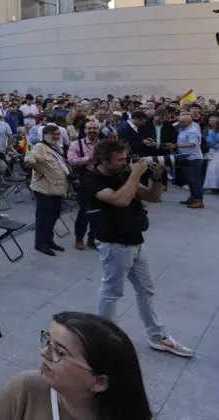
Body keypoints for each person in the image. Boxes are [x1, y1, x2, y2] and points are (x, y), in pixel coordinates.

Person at [80, 139, 194, 357]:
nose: (125, 163)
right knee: (112, 292)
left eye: (126, 159)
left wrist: (157, 178)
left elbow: (152, 197)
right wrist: (135, 173)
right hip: (114, 243)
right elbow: (119, 199)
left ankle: (157, 336)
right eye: (120, 160)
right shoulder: (91, 179)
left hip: (135, 241)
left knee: (146, 290)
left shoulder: (122, 174)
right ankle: (105, 341)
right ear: (104, 160)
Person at [0, 311, 152, 420]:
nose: (43, 352)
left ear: (99, 382)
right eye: (47, 341)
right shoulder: (24, 389)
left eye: (59, 352)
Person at [24, 124, 72, 256]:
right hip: (43, 188)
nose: (56, 136)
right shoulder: (39, 147)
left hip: (56, 188)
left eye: (57, 134)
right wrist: (39, 171)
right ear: (45, 135)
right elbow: (28, 160)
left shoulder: (53, 147)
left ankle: (49, 240)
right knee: (43, 217)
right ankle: (40, 244)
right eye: (53, 134)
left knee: (55, 214)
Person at [67, 120, 101, 250]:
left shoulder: (103, 144)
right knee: (85, 210)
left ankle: (93, 238)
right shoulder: (76, 144)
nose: (92, 130)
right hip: (84, 179)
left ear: (98, 130)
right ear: (85, 130)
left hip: (101, 178)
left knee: (99, 209)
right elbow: (71, 161)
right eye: (89, 128)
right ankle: (79, 237)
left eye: (94, 128)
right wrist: (89, 158)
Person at [176, 113, 204, 208]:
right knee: (189, 180)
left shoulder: (193, 131)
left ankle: (199, 200)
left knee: (195, 180)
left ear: (189, 122)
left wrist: (177, 146)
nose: (179, 123)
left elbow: (193, 144)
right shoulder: (183, 128)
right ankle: (192, 197)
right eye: (179, 121)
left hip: (193, 158)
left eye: (182, 122)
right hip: (184, 157)